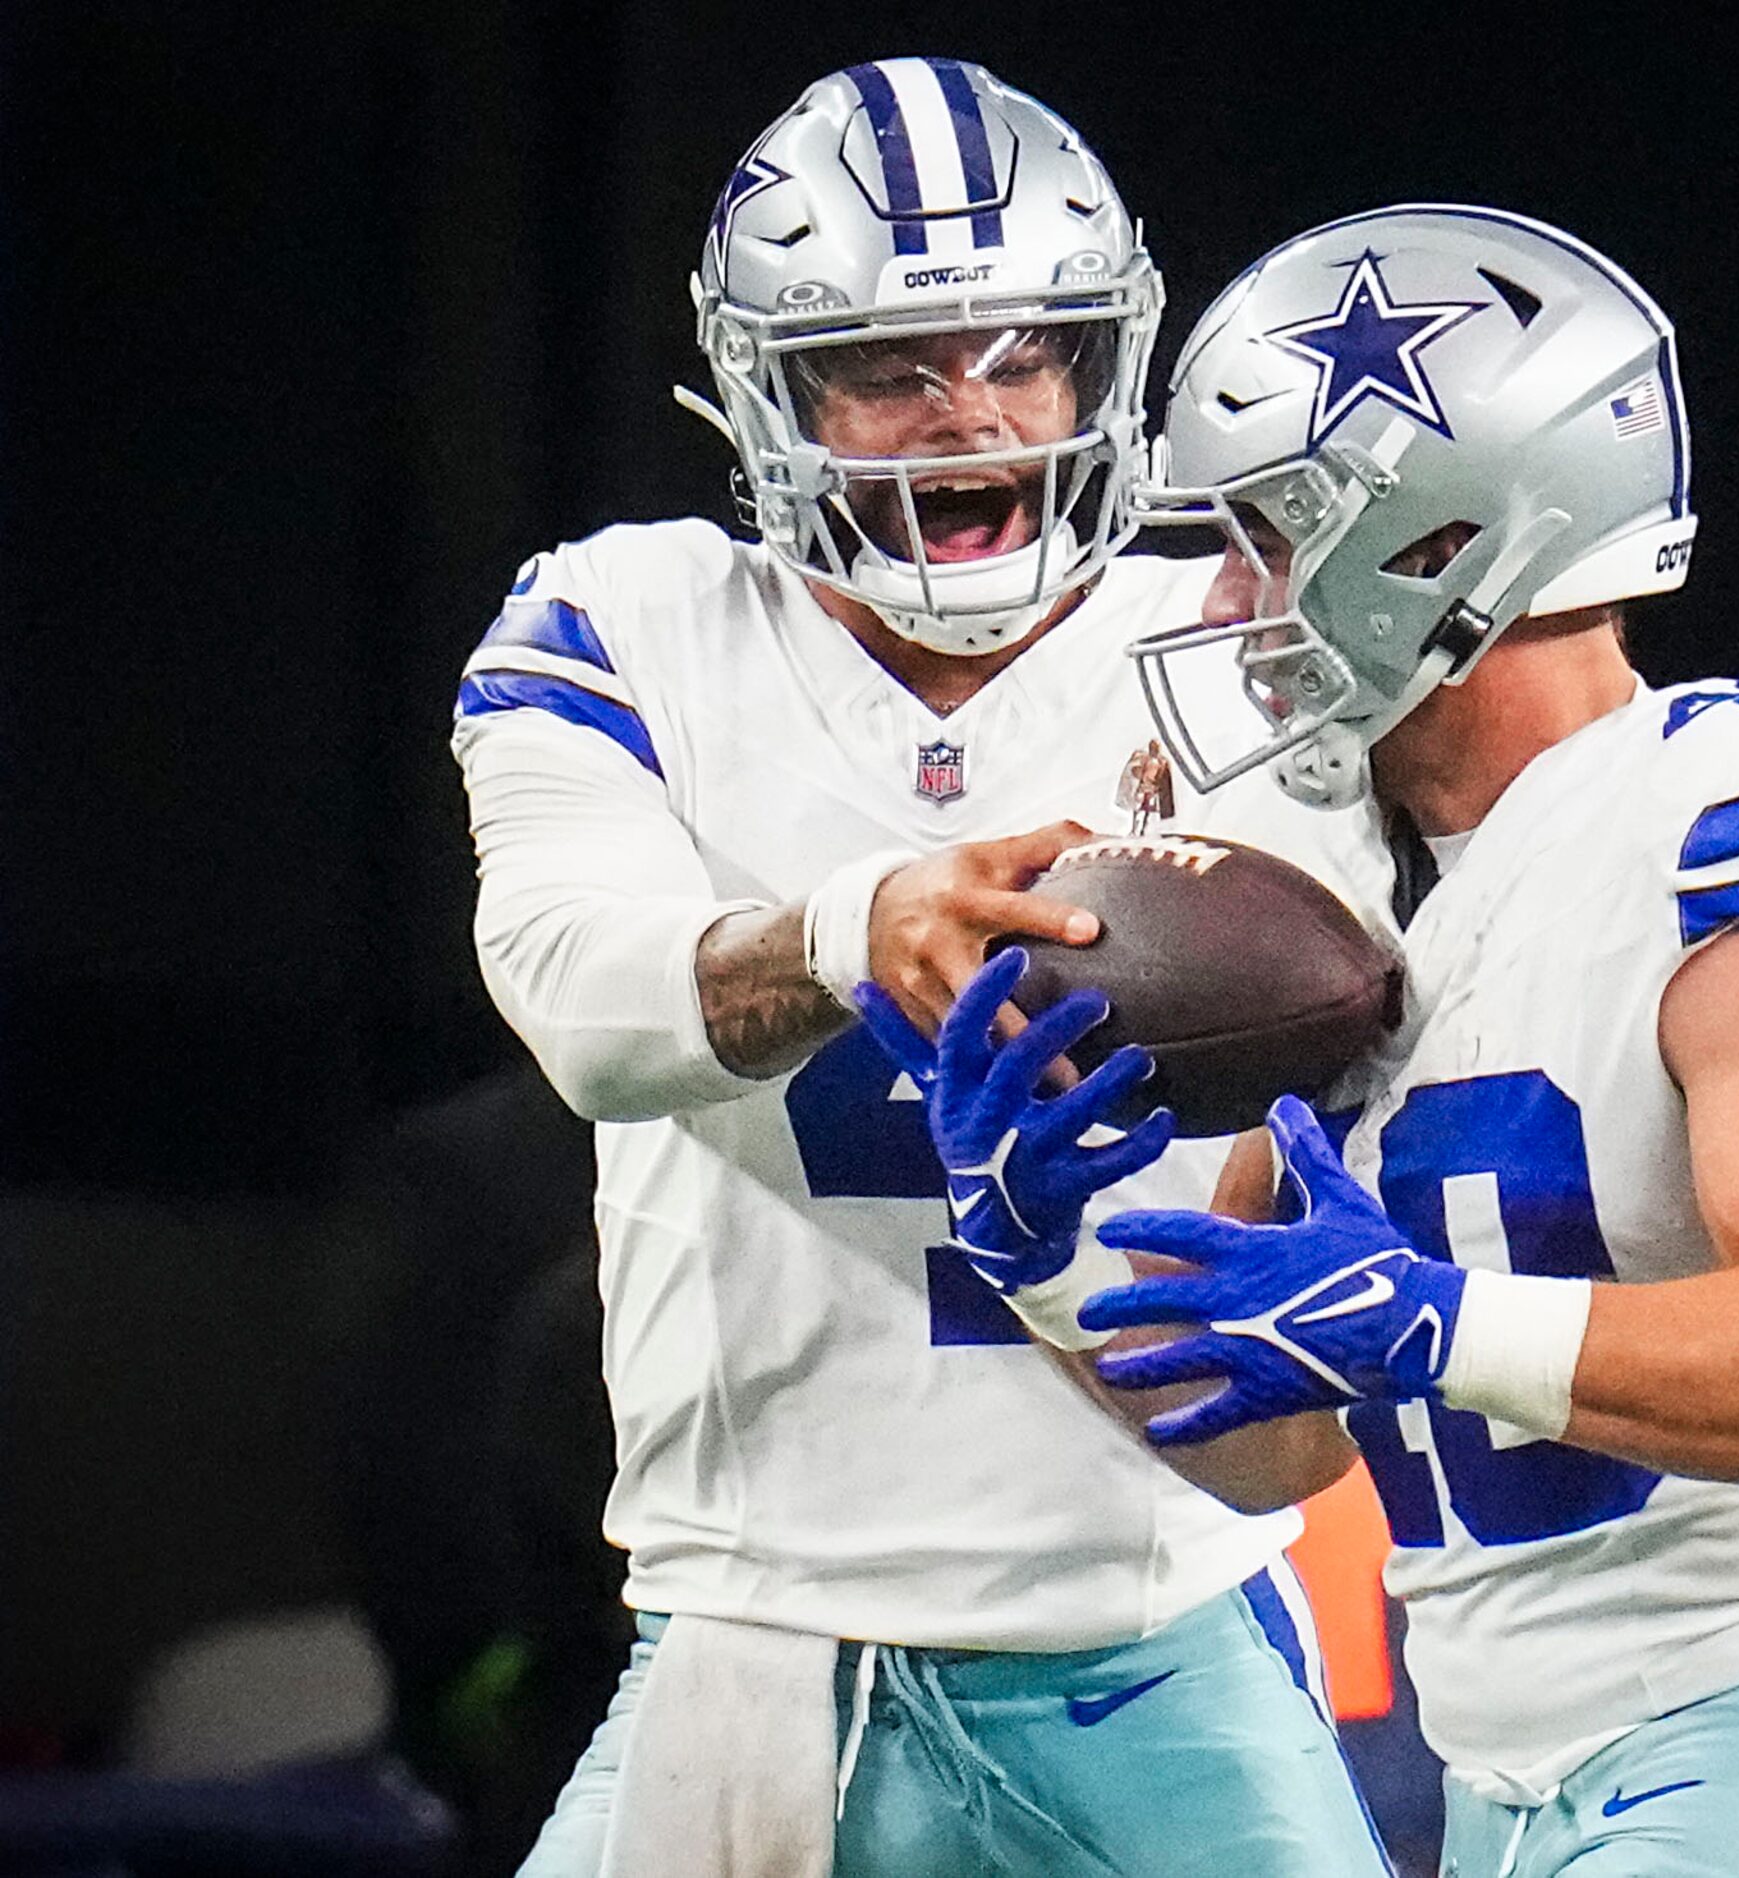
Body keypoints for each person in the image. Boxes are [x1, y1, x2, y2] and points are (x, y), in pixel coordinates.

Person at [900, 205, 1739, 1874]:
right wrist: (1052, 1250)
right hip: (1510, 1783)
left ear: (1443, 541)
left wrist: (1432, 1319)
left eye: (1266, 532)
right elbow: (1269, 1447)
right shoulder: (1350, 915)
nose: (1224, 592)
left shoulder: (1714, 811)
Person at [450, 59, 1390, 1878]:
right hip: (755, 1633)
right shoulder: (627, 619)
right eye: (889, 368)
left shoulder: (1238, 643)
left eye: (1025, 351)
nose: (972, 416)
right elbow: (578, 992)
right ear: (768, 395)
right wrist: (845, 927)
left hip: (1154, 1620)